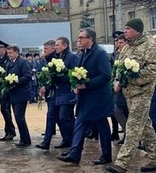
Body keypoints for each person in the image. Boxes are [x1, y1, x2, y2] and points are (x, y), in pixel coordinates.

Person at [106, 18, 156, 173]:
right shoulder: (126, 47)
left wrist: (135, 78)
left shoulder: (149, 46)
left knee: (132, 127)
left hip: (142, 93)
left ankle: (121, 163)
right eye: (125, 29)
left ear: (137, 31)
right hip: (129, 94)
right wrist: (118, 80)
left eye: (128, 29)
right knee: (145, 127)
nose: (125, 32)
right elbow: (120, 66)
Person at [58, 28, 114, 165]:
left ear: (90, 39)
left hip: (98, 97)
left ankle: (106, 154)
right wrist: (76, 84)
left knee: (102, 125)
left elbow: (106, 76)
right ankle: (75, 152)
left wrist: (86, 85)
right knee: (80, 122)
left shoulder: (100, 53)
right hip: (86, 97)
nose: (79, 40)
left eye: (81, 38)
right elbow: (80, 72)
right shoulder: (83, 53)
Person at [51, 36, 79, 148]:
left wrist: (61, 76)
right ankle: (66, 139)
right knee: (59, 118)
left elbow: (75, 73)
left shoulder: (72, 57)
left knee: (65, 117)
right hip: (60, 92)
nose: (55, 47)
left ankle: (73, 140)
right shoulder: (59, 57)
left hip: (68, 92)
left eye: (58, 45)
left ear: (65, 45)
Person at [6, 45, 32, 147]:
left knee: (19, 116)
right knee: (18, 117)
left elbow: (28, 76)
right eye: (8, 53)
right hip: (13, 94)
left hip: (21, 93)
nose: (9, 55)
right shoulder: (10, 63)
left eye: (10, 53)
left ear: (16, 52)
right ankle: (25, 139)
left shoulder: (22, 62)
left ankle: (25, 140)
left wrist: (16, 81)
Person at [35, 40, 58, 150]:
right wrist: (42, 87)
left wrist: (47, 87)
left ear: (53, 49)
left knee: (52, 116)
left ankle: (46, 142)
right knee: (56, 117)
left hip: (55, 93)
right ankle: (67, 139)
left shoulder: (56, 60)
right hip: (49, 93)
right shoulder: (44, 60)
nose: (44, 51)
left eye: (46, 49)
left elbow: (55, 77)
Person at [0, 39, 16, 141]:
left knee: (5, 110)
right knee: (4, 110)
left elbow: (10, 74)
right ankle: (8, 132)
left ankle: (11, 132)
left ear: (4, 49)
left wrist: (0, 80)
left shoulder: (8, 60)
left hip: (7, 88)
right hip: (1, 88)